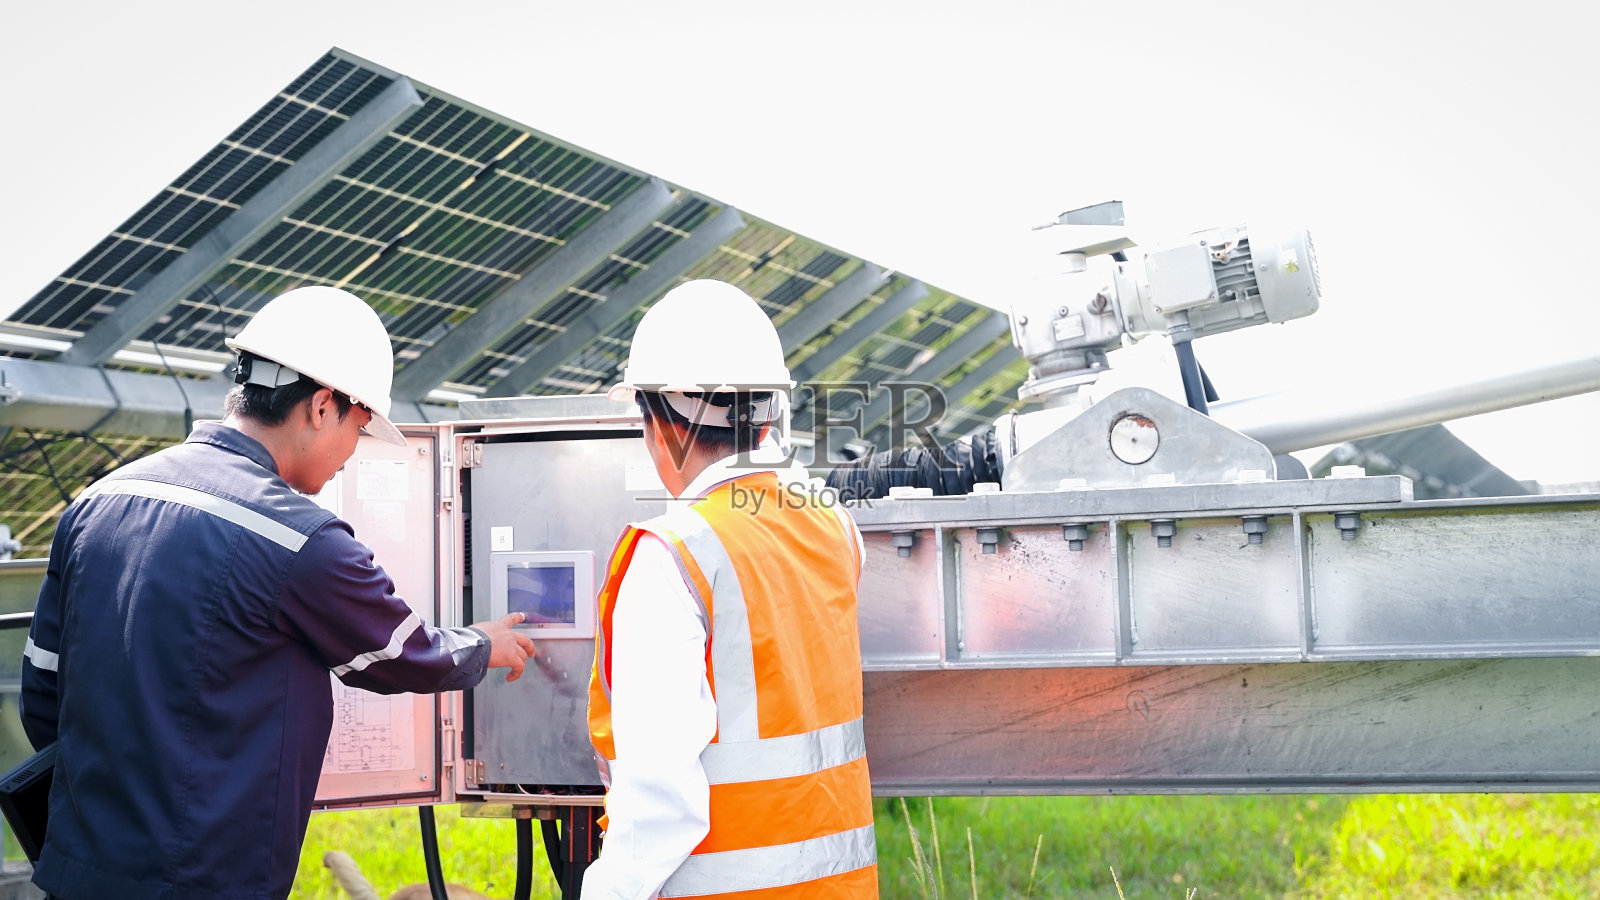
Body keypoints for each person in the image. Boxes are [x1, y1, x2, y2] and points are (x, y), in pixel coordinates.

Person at [18, 285, 538, 900]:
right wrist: (482, 643)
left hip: (78, 870)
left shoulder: (97, 501)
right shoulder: (299, 538)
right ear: (322, 406)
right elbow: (403, 653)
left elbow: (43, 694)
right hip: (208, 882)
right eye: (361, 424)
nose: (353, 450)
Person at [582, 280, 878, 898]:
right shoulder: (832, 523)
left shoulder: (672, 554)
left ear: (660, 427)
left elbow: (659, 802)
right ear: (768, 413)